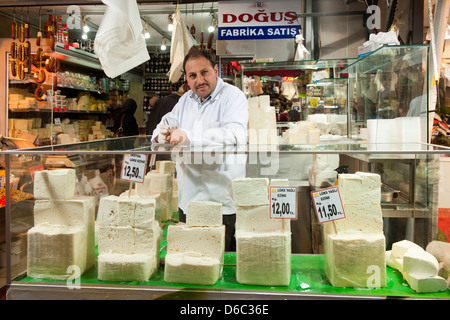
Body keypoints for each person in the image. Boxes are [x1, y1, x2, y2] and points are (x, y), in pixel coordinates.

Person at [152, 48, 249, 251]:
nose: (199, 80)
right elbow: (165, 125)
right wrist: (164, 134)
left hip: (220, 201)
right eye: (192, 76)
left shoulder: (233, 96)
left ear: (216, 70)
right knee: (192, 264)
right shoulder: (185, 101)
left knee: (221, 266)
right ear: (186, 79)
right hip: (188, 201)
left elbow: (235, 134)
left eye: (204, 72)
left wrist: (188, 137)